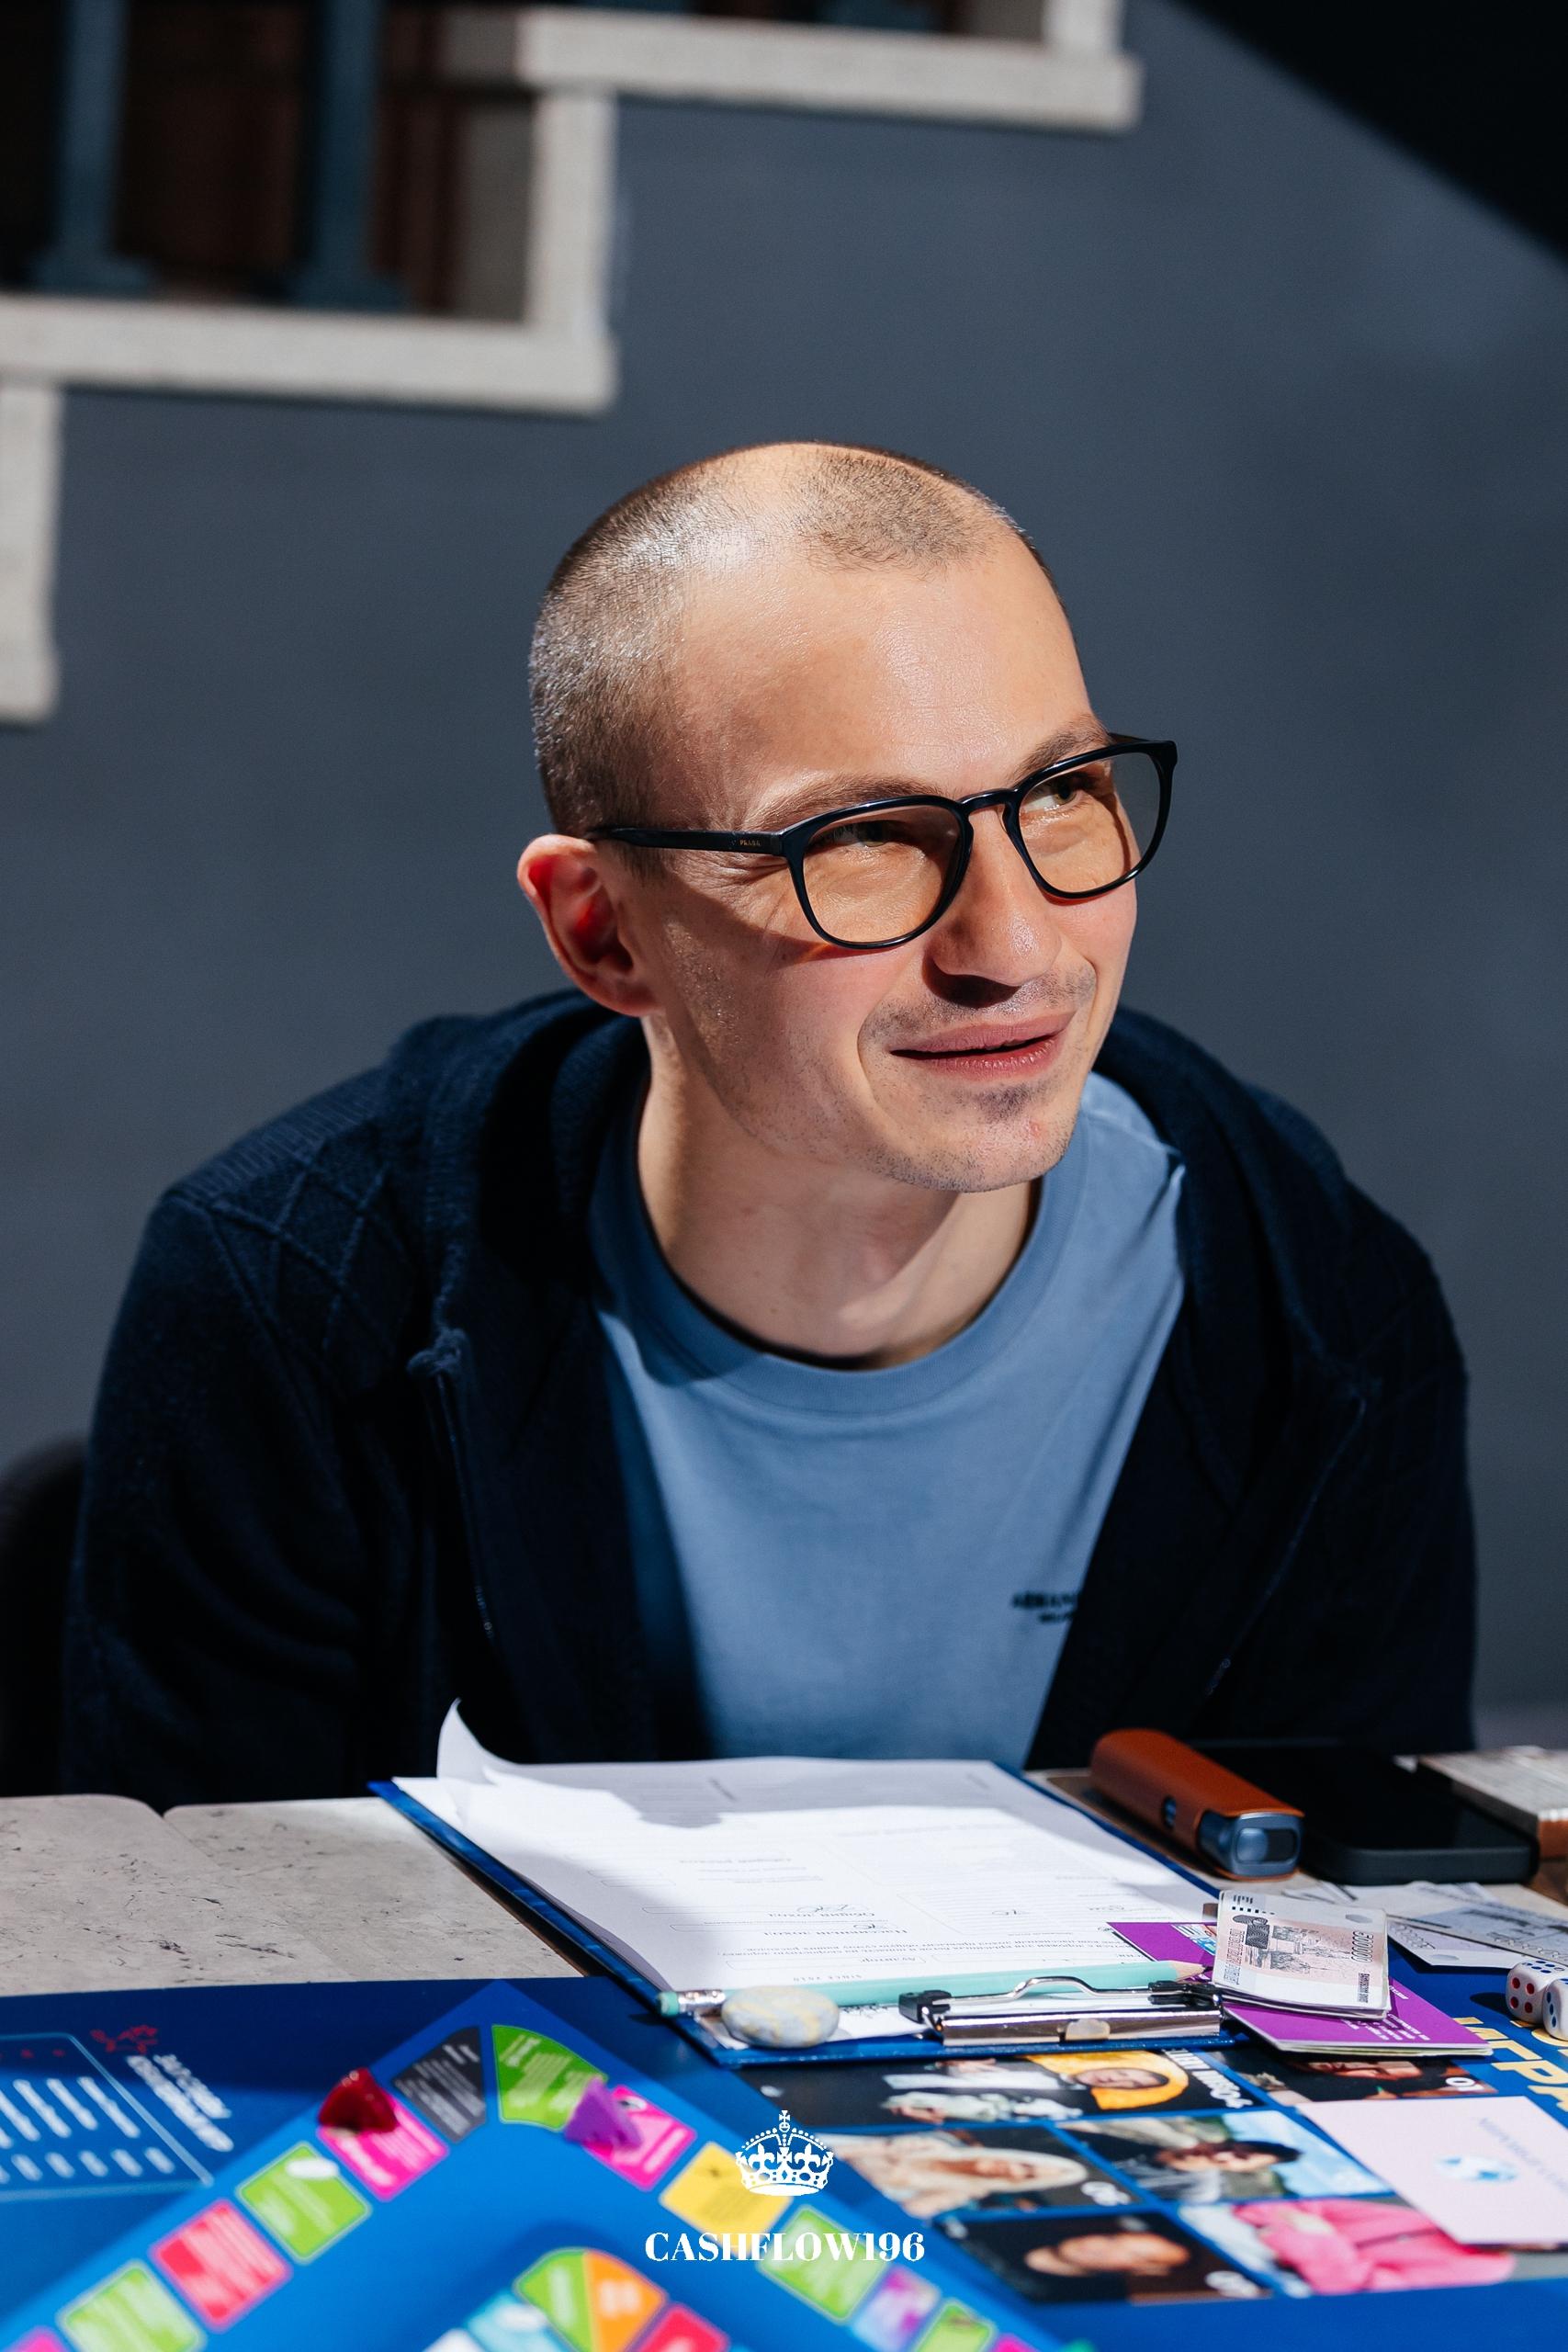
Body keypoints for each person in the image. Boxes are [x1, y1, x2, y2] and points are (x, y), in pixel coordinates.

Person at [61, 441, 1476, 1806]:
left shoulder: (1324, 1313)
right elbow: (203, 1940)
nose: (1016, 946)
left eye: (1060, 796)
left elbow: (1351, 1930)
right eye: (862, 839)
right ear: (605, 931)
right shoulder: (294, 1301)